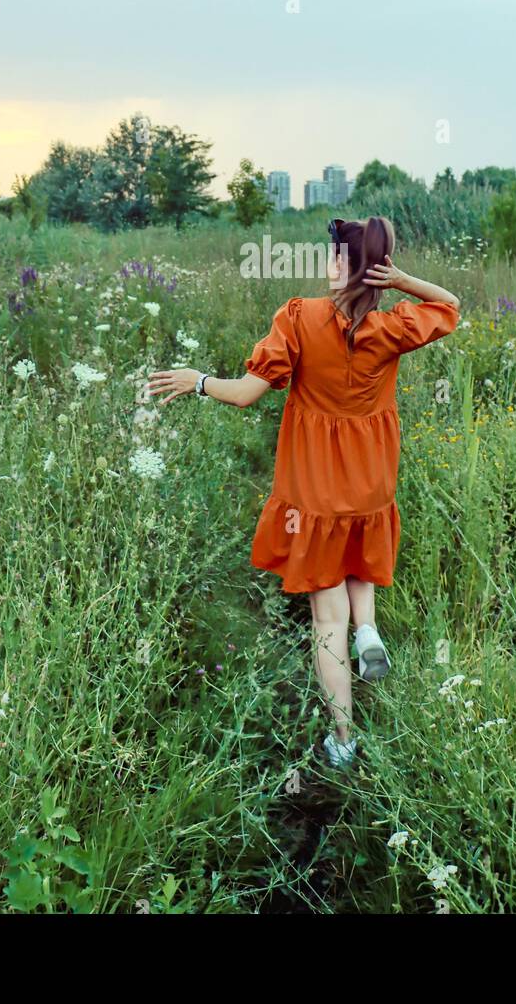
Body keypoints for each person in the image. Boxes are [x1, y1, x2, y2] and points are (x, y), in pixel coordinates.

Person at [147, 216, 460, 769]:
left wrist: (197, 380)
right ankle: (369, 628)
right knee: (359, 552)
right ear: (381, 273)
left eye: (334, 254)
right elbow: (451, 305)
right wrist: (404, 281)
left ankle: (343, 737)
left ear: (342, 264)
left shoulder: (299, 319)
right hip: (370, 481)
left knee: (324, 621)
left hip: (316, 488)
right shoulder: (391, 327)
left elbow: (246, 394)